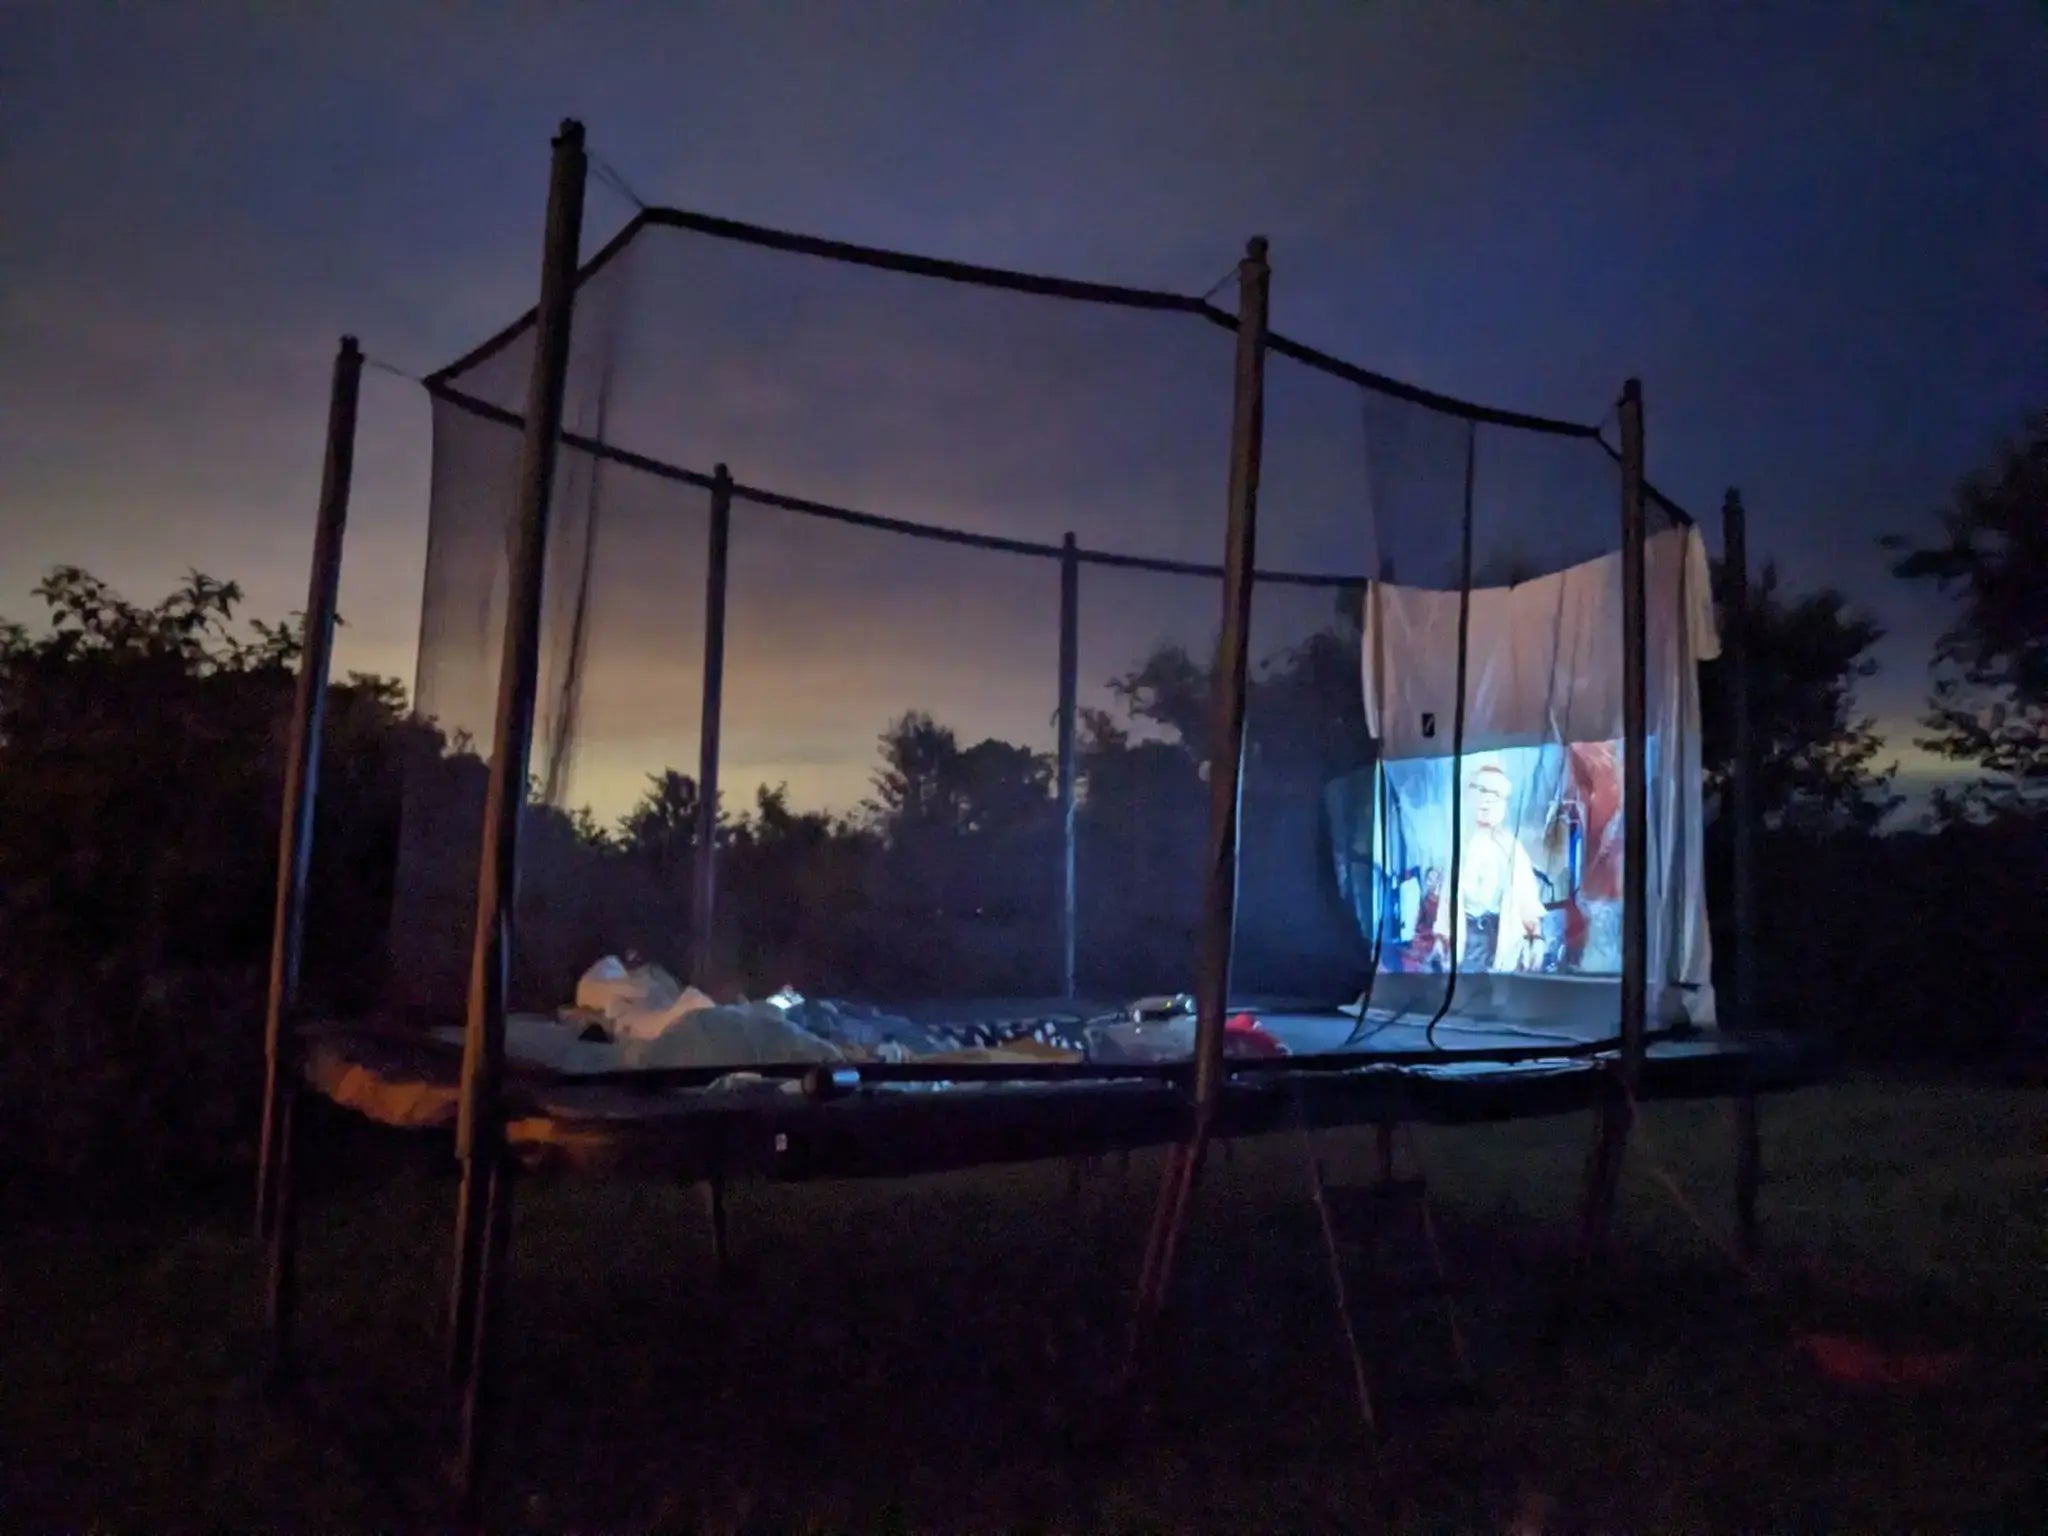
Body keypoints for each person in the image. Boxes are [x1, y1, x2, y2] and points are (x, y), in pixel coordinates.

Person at [1455, 761, 1547, 972]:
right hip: (1466, 940)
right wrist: (1441, 940)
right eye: (1481, 790)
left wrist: (1537, 938)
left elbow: (1527, 904)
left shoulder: (1512, 849)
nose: (1487, 799)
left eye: (1496, 794)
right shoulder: (1459, 845)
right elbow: (1446, 904)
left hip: (1500, 937)